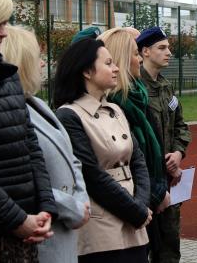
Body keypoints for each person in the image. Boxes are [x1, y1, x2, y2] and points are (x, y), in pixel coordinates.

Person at [54, 38, 153, 262]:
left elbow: (138, 161)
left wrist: (142, 204)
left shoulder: (116, 110)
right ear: (87, 72)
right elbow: (91, 174)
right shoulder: (69, 115)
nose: (116, 68)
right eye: (108, 63)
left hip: (134, 221)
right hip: (101, 227)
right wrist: (135, 211)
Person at [0, 25, 90, 263]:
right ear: (22, 61)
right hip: (43, 233)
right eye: (38, 58)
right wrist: (72, 206)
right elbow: (20, 179)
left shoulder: (38, 105)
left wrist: (81, 199)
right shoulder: (12, 112)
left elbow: (72, 160)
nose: (42, 64)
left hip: (64, 230)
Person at [0, 0, 57, 262]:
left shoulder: (7, 78)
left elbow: (31, 146)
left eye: (5, 23)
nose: (3, 32)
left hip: (22, 235)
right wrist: (18, 220)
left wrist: (45, 208)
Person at [99, 28, 171, 262]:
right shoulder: (118, 103)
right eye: (134, 53)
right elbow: (132, 160)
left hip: (148, 197)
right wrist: (153, 195)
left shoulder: (136, 97)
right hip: (132, 204)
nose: (139, 58)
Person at [137, 27, 192, 263]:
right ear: (145, 51)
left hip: (169, 179)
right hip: (146, 181)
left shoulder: (167, 87)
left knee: (170, 245)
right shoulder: (135, 88)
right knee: (144, 244)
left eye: (168, 47)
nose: (169, 52)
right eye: (162, 48)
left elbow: (181, 125)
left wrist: (179, 153)